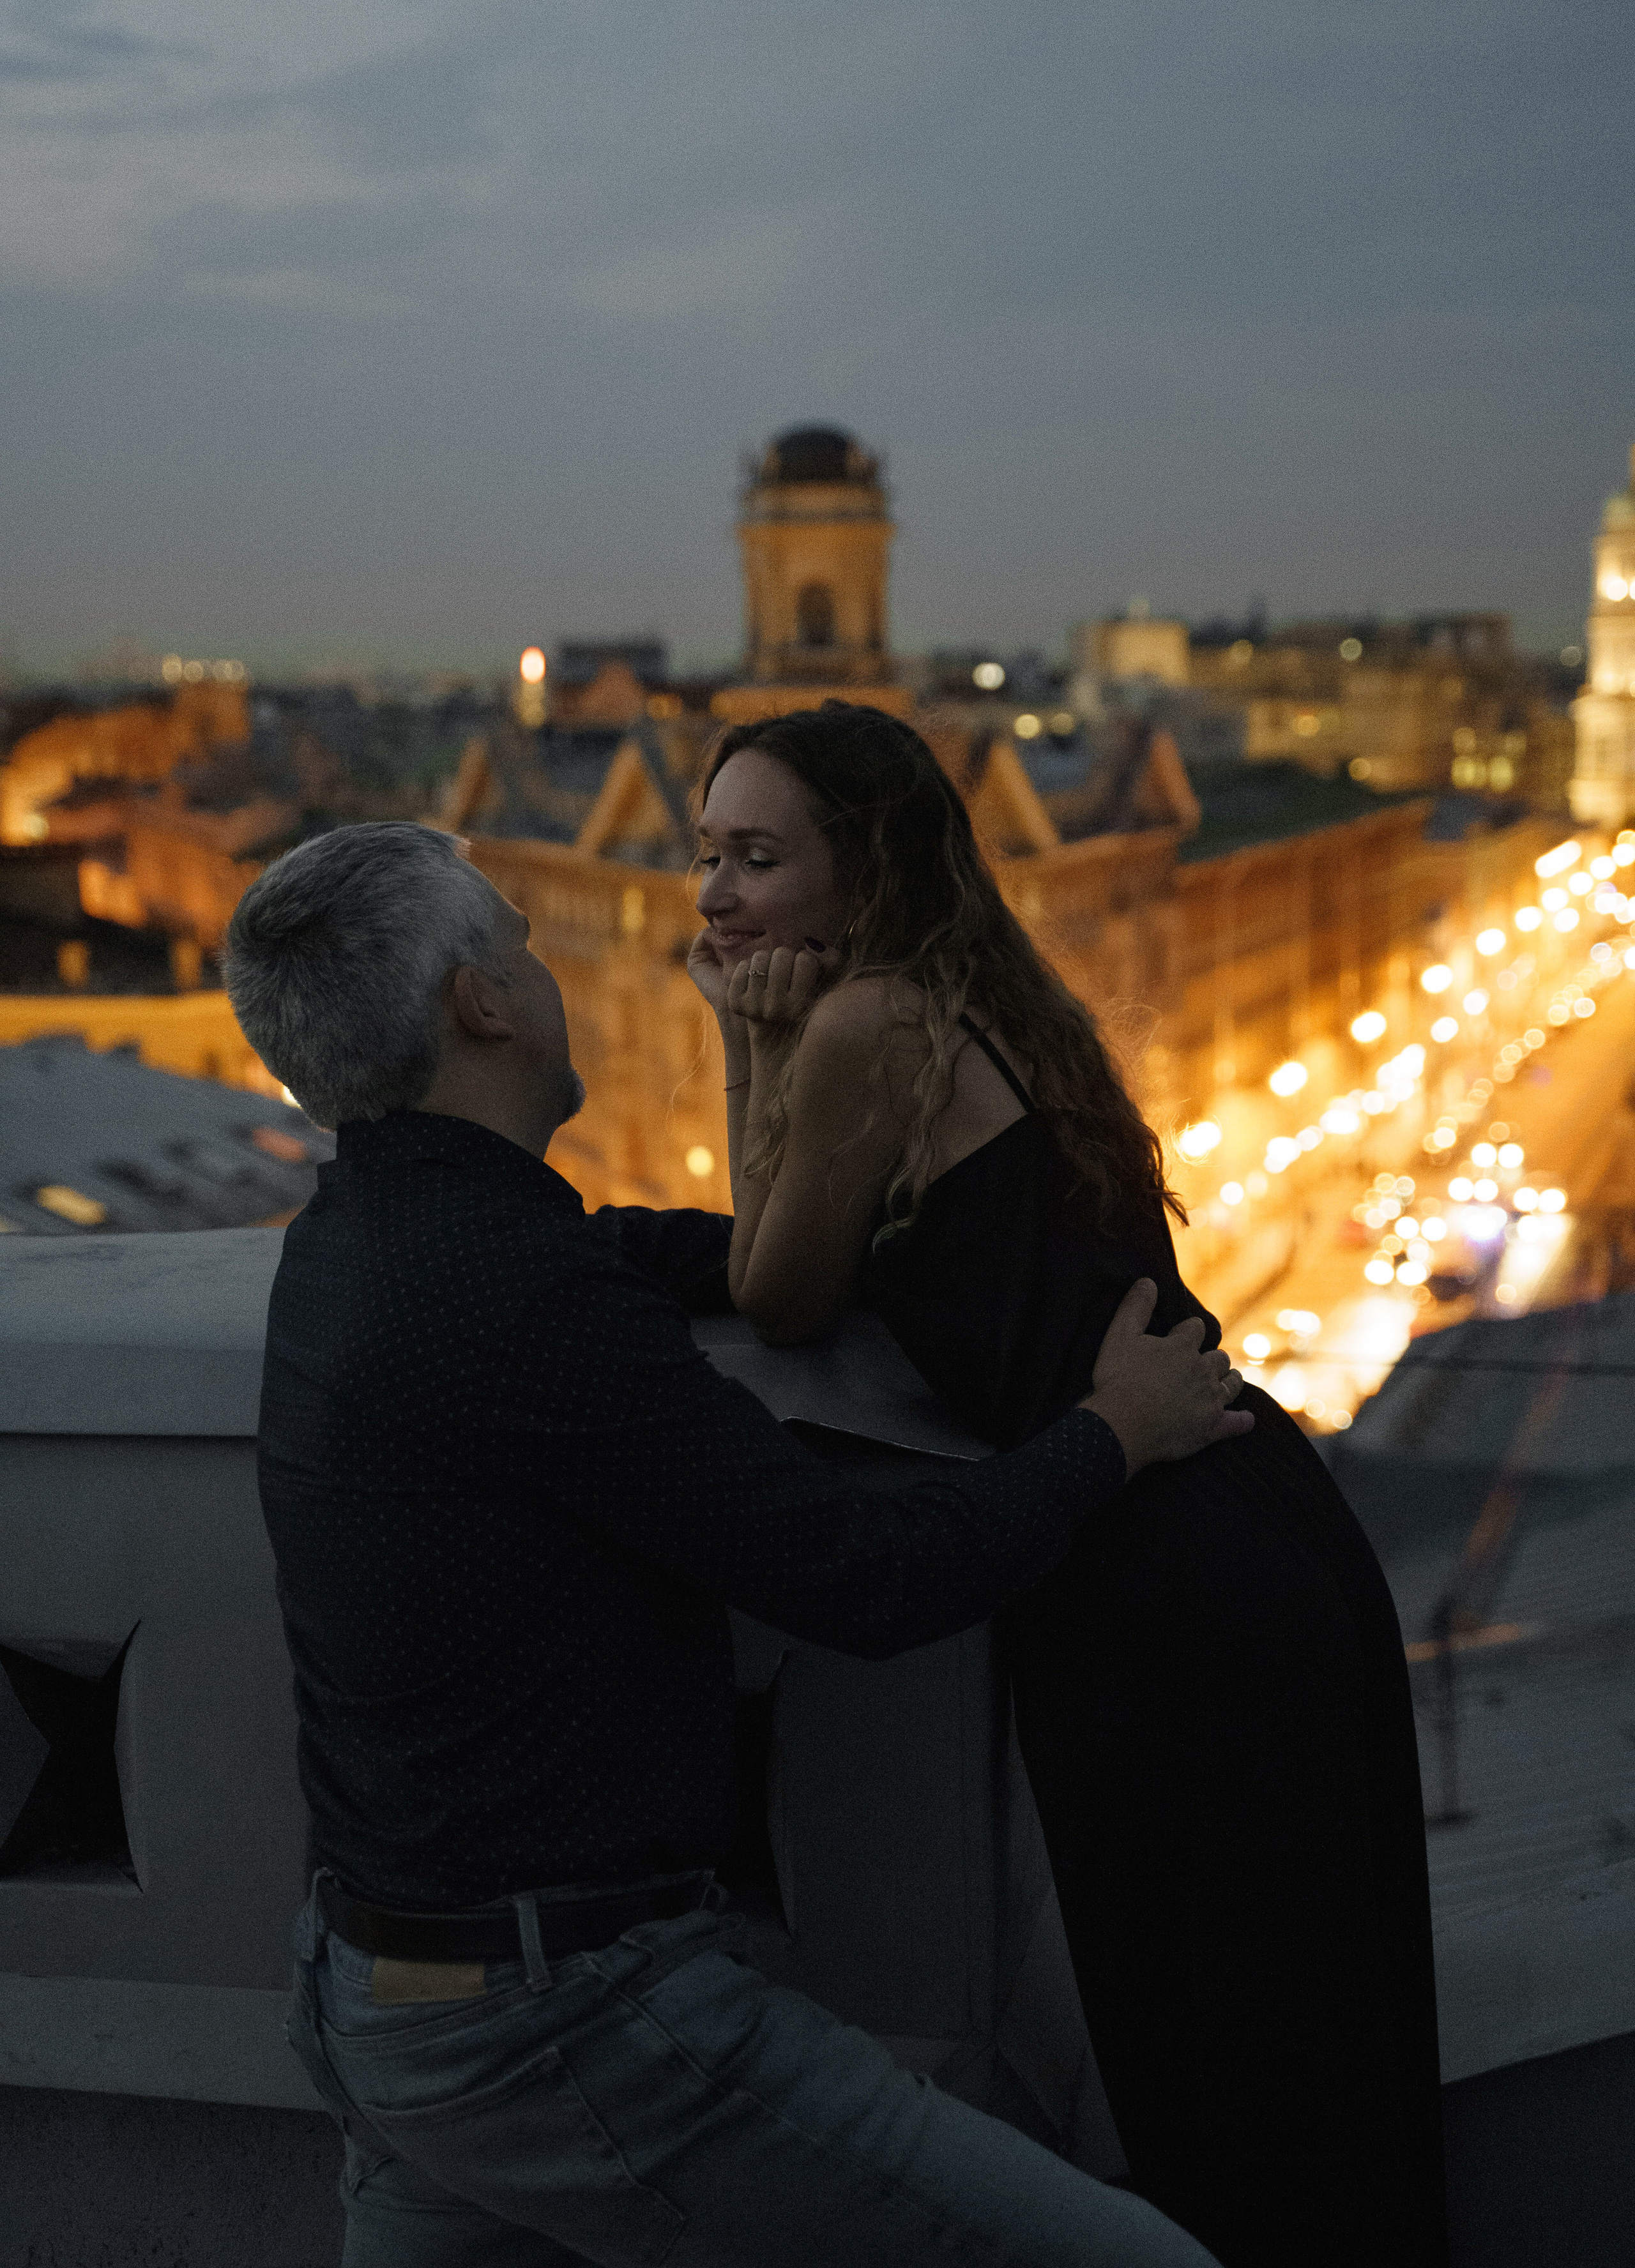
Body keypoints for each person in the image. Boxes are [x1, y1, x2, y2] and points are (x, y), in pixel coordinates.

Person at [225, 818, 1246, 2268]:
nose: (538, 962)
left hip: (380, 1995)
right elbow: (865, 1573)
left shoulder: (361, 1235)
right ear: (484, 1004)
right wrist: (1112, 1431)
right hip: (565, 2022)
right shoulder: (511, 1298)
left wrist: (832, 1167)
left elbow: (670, 1251)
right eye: (517, 938)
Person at [687, 702, 1447, 2268]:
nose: (712, 896)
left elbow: (775, 1293)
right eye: (703, 855)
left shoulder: (862, 1029)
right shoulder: (993, 1000)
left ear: (867, 867)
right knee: (1312, 2036)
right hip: (1252, 1526)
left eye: (756, 858)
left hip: (1152, 1578)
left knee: (1205, 2056)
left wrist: (742, 1036)